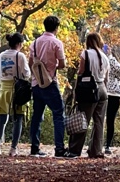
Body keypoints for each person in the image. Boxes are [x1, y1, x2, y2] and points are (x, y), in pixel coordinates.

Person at [28, 15, 78, 158]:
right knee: (58, 114)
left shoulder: (35, 42)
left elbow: (31, 63)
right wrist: (52, 66)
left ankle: (34, 148)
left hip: (36, 83)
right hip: (50, 83)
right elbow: (62, 64)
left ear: (44, 26)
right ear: (57, 27)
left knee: (37, 115)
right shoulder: (56, 43)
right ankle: (59, 149)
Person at [66, 31, 108, 158]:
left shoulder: (86, 53)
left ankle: (74, 150)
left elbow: (81, 72)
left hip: (89, 90)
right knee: (99, 122)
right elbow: (106, 78)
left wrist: (76, 91)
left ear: (88, 42)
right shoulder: (105, 56)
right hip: (102, 90)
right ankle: (96, 150)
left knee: (82, 119)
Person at [0, 31, 30, 156]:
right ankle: (13, 148)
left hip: (4, 88)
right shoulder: (20, 56)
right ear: (19, 44)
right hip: (17, 89)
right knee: (18, 118)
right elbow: (26, 73)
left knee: (2, 119)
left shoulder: (2, 55)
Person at [103, 42, 120, 156]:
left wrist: (110, 57)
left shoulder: (114, 63)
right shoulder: (100, 60)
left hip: (114, 94)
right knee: (99, 119)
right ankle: (96, 144)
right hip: (103, 92)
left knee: (110, 120)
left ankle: (108, 144)